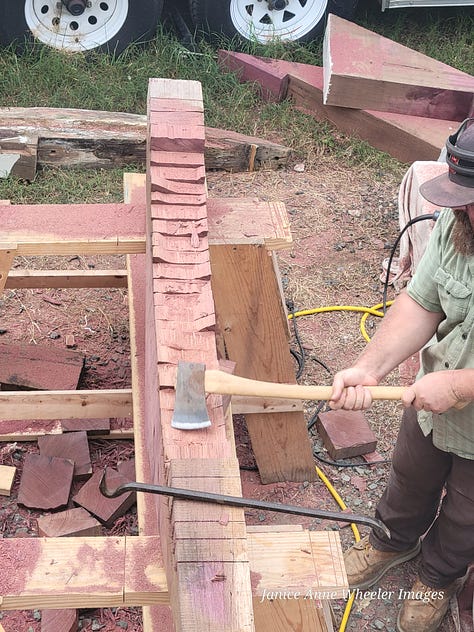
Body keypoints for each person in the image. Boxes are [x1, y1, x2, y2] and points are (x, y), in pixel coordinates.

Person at [329, 118, 474, 632]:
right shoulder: (462, 223)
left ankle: (439, 576)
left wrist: (461, 385)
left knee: (466, 515)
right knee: (410, 474)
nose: (465, 209)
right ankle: (392, 541)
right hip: (430, 404)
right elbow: (421, 301)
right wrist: (369, 367)